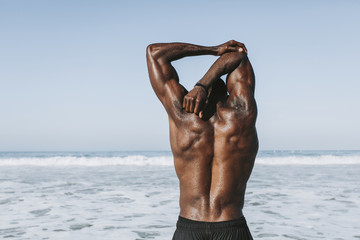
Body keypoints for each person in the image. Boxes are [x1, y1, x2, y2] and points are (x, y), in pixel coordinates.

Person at [146, 40, 258, 240]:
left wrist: (213, 50)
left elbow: (154, 52)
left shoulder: (182, 116)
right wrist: (205, 83)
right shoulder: (242, 117)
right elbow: (239, 56)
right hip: (232, 227)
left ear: (194, 98)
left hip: (189, 226)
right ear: (228, 95)